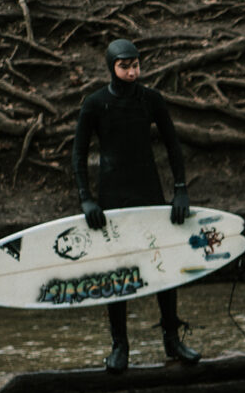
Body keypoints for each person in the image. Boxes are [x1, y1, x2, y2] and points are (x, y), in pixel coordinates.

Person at [73, 38, 199, 373]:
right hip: (112, 197)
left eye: (135, 65)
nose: (132, 72)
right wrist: (86, 198)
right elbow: (79, 154)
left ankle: (172, 339)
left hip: (149, 193)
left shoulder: (150, 100)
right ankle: (120, 346)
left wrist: (180, 190)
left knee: (163, 263)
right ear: (111, 67)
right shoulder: (95, 104)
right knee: (118, 270)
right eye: (125, 66)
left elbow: (172, 144)